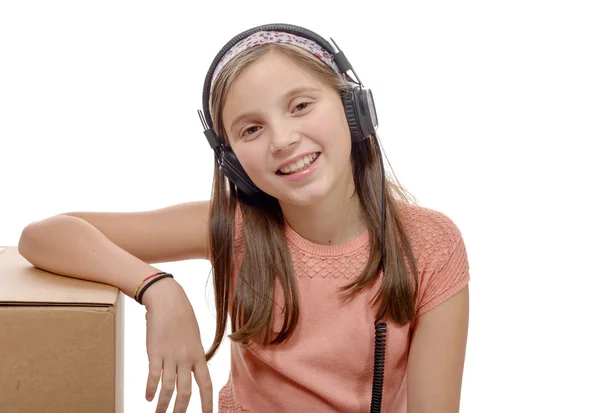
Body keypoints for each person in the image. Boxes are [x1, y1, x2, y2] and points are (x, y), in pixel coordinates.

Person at [17, 23, 470, 413]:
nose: (283, 140)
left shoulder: (429, 245)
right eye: (251, 129)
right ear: (231, 162)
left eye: (301, 105)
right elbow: (44, 236)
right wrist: (157, 288)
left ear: (355, 111)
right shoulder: (235, 228)